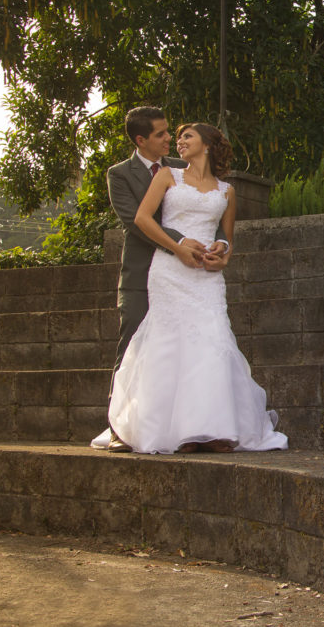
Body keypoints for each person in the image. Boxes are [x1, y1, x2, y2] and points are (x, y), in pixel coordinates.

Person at [92, 122, 287, 454]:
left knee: (213, 341)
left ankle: (212, 429)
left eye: (187, 136)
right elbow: (142, 219)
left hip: (207, 277)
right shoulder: (168, 176)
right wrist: (178, 247)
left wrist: (222, 255)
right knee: (170, 343)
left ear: (207, 145)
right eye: (177, 136)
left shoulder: (226, 190)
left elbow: (225, 236)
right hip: (170, 271)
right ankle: (174, 431)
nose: (178, 141)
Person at [96, 106, 228, 452]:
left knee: (189, 347)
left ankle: (191, 425)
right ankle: (121, 427)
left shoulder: (183, 166)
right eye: (161, 134)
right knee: (134, 345)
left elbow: (210, 209)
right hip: (145, 272)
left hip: (193, 271)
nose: (170, 138)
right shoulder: (120, 174)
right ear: (141, 140)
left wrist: (221, 246)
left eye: (171, 132)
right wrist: (180, 242)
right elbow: (133, 220)